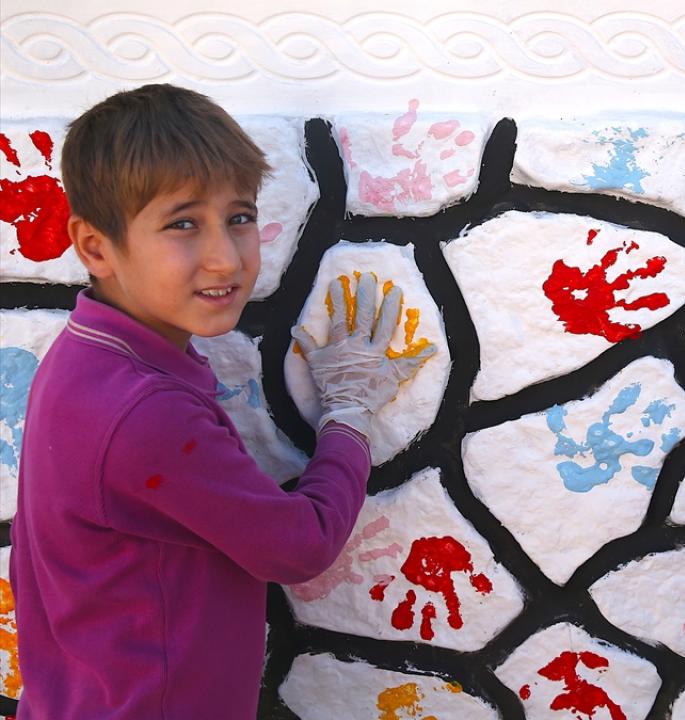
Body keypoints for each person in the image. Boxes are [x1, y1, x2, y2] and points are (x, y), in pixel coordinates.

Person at [9, 84, 432, 718]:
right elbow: (301, 546)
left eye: (239, 218)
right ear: (96, 247)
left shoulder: (86, 355)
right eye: (183, 224)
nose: (225, 259)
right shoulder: (144, 410)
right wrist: (349, 412)